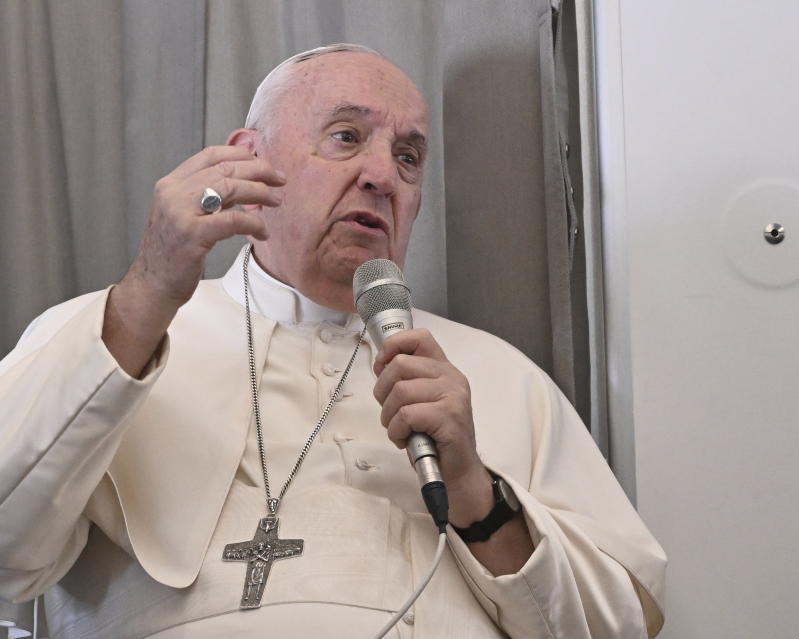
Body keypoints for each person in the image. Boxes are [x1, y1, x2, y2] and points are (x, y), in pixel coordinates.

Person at [0, 44, 666, 638]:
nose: (382, 175)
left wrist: (473, 489)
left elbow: (618, 626)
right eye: (346, 137)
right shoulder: (106, 327)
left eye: (407, 156)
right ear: (248, 159)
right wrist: (146, 290)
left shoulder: (498, 374)